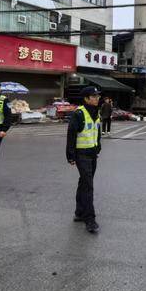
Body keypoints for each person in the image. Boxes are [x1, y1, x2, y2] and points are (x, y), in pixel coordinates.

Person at [67, 86, 102, 234]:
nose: (97, 98)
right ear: (86, 99)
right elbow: (71, 135)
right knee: (88, 186)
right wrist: (70, 155)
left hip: (92, 153)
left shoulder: (96, 112)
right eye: (94, 96)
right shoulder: (79, 113)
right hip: (81, 154)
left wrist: (98, 146)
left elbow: (97, 131)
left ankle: (79, 212)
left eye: (97, 96)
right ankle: (90, 219)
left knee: (84, 183)